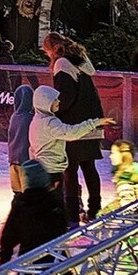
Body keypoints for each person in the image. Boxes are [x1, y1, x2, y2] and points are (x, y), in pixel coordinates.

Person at [42, 32, 106, 226]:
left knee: (70, 170)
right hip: (93, 120)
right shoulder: (80, 60)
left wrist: (54, 112)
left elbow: (66, 96)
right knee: (89, 166)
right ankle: (94, 209)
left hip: (74, 125)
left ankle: (71, 215)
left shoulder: (62, 64)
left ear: (51, 49)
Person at [28, 85, 115, 213]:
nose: (59, 102)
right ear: (45, 102)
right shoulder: (50, 123)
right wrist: (95, 122)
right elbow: (71, 133)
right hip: (51, 170)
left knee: (49, 201)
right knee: (54, 203)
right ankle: (57, 227)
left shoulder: (37, 120)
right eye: (55, 100)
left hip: (43, 167)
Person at [0, 160, 68, 266]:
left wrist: (3, 262)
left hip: (28, 265)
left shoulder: (21, 206)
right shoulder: (54, 204)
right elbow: (63, 226)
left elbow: (8, 238)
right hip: (57, 262)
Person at [101, 140, 138, 215]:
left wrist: (105, 212)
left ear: (123, 155)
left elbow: (128, 204)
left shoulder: (128, 176)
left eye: (113, 153)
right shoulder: (124, 173)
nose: (110, 156)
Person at [7, 85, 35, 195]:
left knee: (17, 193)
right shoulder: (30, 118)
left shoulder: (14, 116)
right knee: (28, 194)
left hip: (13, 160)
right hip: (26, 161)